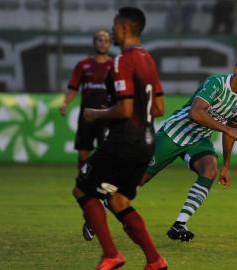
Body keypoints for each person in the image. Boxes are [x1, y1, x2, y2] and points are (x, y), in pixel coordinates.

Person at [72, 7, 167, 270]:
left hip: (124, 140)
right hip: (147, 143)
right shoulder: (148, 59)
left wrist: (96, 113)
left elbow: (125, 110)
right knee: (118, 200)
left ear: (124, 27)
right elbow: (159, 108)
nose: (113, 30)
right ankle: (155, 260)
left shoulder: (121, 61)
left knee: (82, 189)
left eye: (114, 26)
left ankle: (111, 254)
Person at [141, 55, 237, 242]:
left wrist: (227, 166)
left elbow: (229, 133)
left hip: (198, 139)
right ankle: (102, 208)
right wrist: (227, 129)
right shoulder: (216, 83)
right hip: (174, 133)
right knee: (140, 179)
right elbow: (195, 113)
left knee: (210, 170)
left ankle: (179, 223)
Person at [59, 30, 113, 171]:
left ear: (110, 44)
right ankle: (82, 182)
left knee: (106, 153)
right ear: (94, 42)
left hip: (106, 116)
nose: (102, 43)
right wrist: (65, 103)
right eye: (99, 40)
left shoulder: (114, 66)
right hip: (87, 116)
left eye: (106, 40)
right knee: (83, 153)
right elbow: (73, 87)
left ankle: (101, 184)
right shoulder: (83, 65)